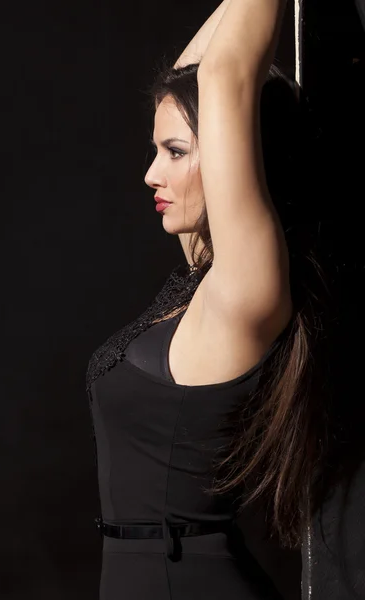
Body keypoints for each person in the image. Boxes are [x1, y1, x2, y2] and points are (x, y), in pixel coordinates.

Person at [86, 0, 336, 598]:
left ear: (235, 158)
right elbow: (194, 74)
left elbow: (224, 74)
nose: (150, 173)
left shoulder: (242, 291)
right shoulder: (201, 274)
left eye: (174, 152)